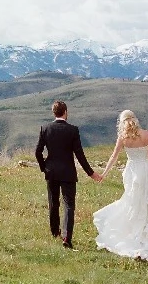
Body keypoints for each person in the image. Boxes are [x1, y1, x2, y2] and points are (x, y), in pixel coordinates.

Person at [93, 109, 148, 262]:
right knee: (145, 203)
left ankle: (132, 233)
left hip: (132, 172)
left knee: (132, 202)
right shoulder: (146, 135)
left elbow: (114, 156)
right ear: (135, 119)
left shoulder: (123, 137)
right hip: (145, 172)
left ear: (122, 122)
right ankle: (145, 235)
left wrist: (104, 174)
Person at [35, 100, 102, 248]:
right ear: (65, 112)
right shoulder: (73, 130)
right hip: (68, 173)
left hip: (51, 171)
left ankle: (54, 232)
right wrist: (91, 173)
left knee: (53, 203)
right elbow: (80, 155)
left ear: (54, 112)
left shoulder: (45, 128)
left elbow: (38, 152)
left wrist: (43, 167)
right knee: (69, 205)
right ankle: (67, 238)